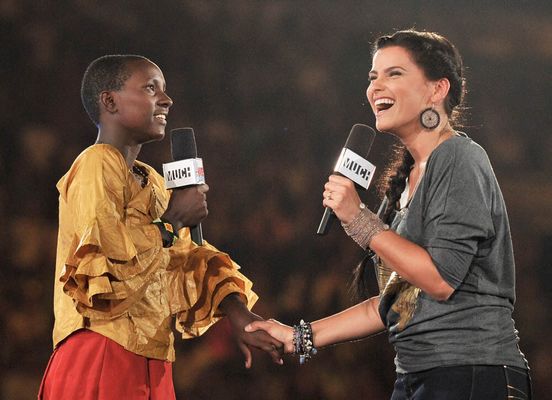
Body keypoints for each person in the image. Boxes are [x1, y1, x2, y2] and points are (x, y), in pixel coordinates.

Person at [245, 29, 532, 399]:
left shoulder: (460, 158)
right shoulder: (407, 181)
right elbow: (392, 304)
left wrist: (359, 219)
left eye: (394, 74)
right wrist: (299, 336)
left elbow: (441, 279)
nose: (376, 86)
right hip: (417, 374)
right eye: (373, 76)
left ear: (437, 89)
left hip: (471, 371)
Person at [38, 54, 282, 400]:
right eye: (151, 88)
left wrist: (237, 312)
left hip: (152, 361)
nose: (166, 100)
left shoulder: (151, 179)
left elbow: (181, 259)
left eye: (164, 90)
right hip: (102, 349)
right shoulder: (96, 162)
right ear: (109, 101)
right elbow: (108, 261)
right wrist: (173, 221)